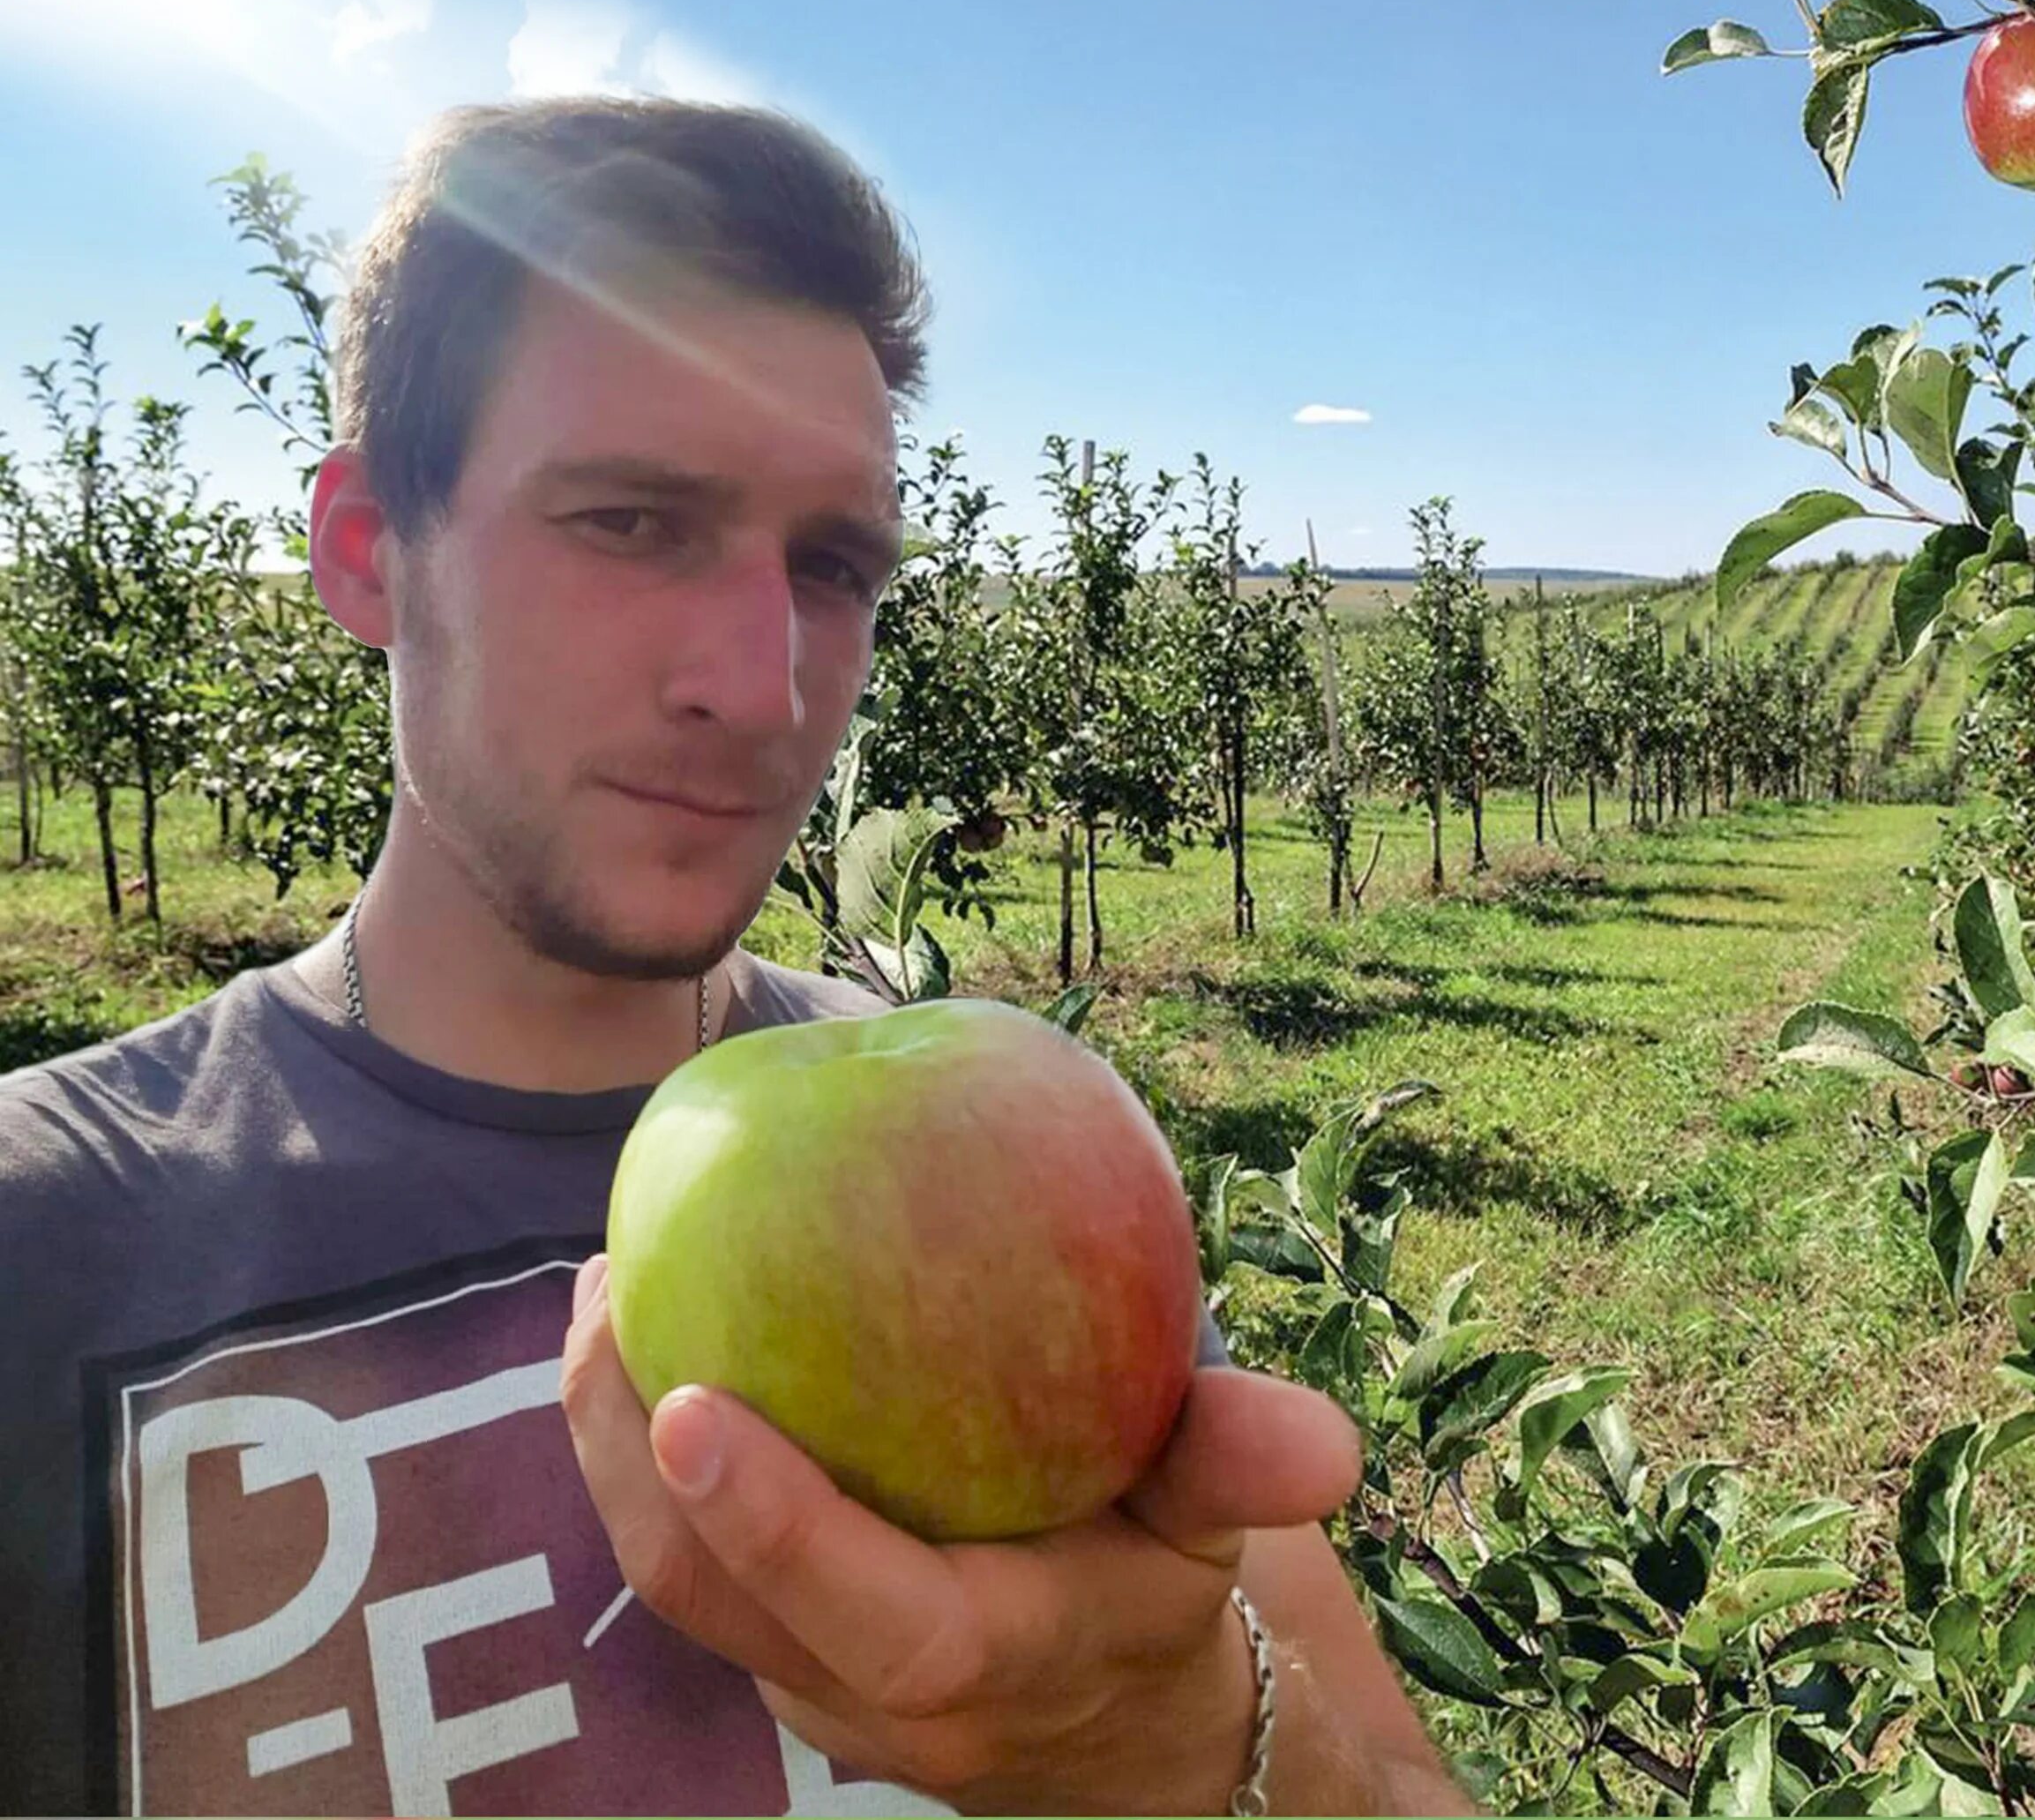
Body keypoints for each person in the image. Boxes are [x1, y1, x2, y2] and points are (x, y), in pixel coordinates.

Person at [0, 96, 1471, 1818]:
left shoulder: (1003, 1169)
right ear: (364, 551)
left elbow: (1397, 1779)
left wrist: (1178, 1748)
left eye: (834, 562)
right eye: (630, 521)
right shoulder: (55, 1239)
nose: (762, 683)